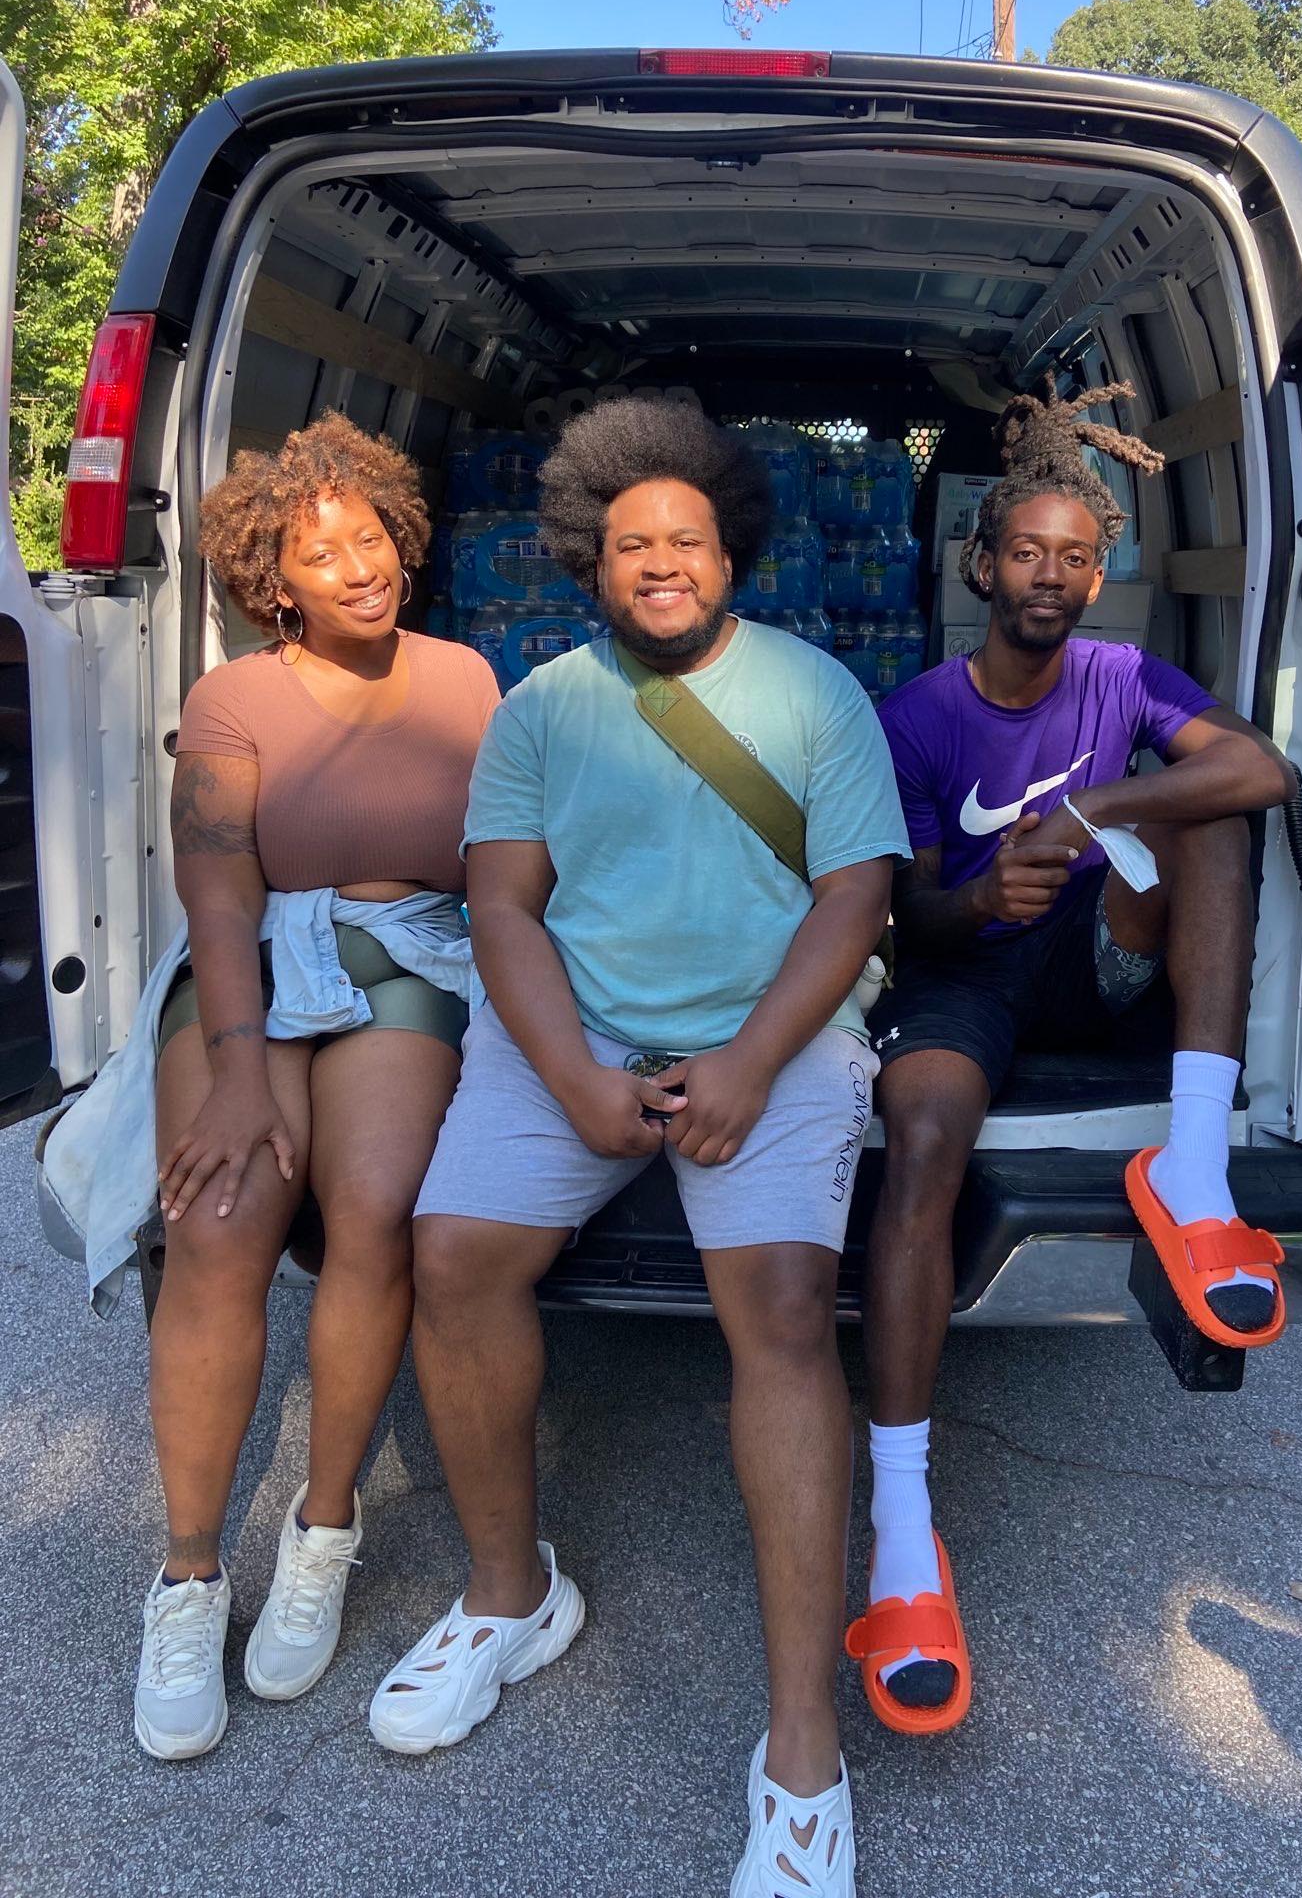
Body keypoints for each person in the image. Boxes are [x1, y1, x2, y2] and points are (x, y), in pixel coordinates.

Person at [370, 399, 908, 1898]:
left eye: (685, 539)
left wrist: (749, 1064)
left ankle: (802, 1743)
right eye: (629, 545)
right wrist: (574, 1075)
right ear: (588, 563)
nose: (659, 563)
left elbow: (854, 900)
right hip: (580, 1033)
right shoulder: (543, 707)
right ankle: (509, 1596)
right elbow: (501, 907)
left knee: (783, 1312)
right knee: (453, 1258)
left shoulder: (816, 695)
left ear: (732, 555)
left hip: (773, 1033)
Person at [847, 381, 1295, 1733]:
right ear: (981, 567)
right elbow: (903, 912)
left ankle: (1194, 1172)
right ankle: (904, 1528)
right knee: (924, 1142)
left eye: (1077, 557)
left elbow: (1262, 770)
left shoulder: (1122, 678)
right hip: (966, 973)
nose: (1051, 575)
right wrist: (982, 896)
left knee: (1213, 817)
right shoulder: (914, 716)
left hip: (1095, 962)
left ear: (1101, 578)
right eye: (1027, 553)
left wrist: (1093, 810)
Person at [131, 414, 500, 1759]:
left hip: (413, 951)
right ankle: (187, 1576)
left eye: (371, 535)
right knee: (218, 1221)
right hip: (261, 958)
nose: (359, 566)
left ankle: (323, 1528)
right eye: (320, 551)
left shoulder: (466, 676)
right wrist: (240, 1070)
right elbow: (220, 892)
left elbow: (505, 859)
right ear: (271, 582)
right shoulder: (232, 698)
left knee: (375, 1207)